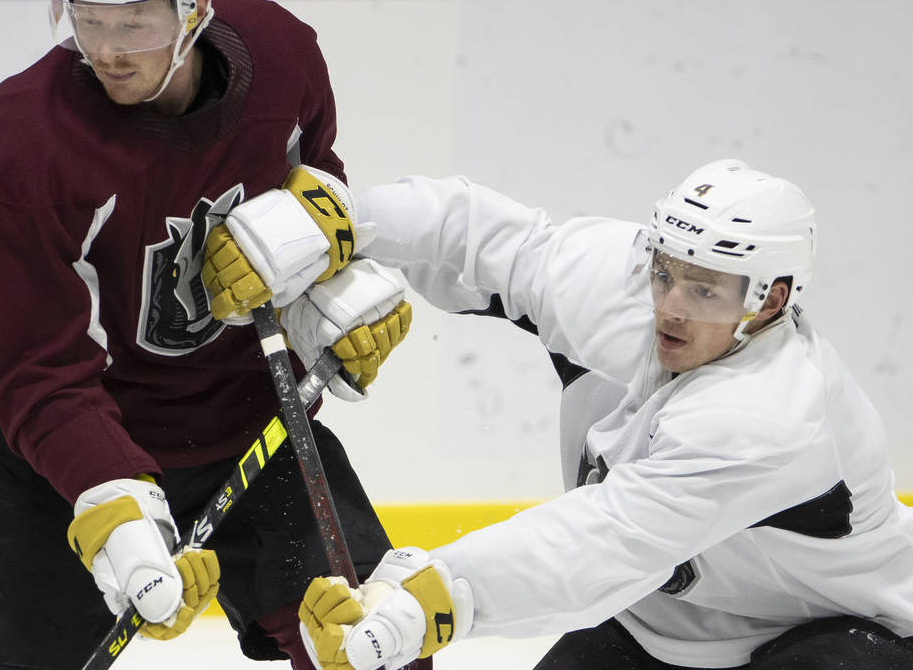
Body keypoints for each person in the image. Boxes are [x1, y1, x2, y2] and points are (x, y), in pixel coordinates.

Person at [0, 0, 417, 670]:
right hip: (43, 448)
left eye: (135, 21)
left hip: (246, 420)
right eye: (88, 17)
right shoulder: (28, 140)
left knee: (375, 641)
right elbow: (39, 369)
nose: (106, 49)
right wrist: (114, 507)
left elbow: (318, 194)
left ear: (196, 3)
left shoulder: (282, 60)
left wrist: (330, 293)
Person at [272, 160, 913, 669]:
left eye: (706, 290)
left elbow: (605, 539)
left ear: (771, 301)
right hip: (660, 631)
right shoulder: (624, 285)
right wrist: (341, 220)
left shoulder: (773, 416)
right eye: (668, 274)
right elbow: (479, 238)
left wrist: (423, 594)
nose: (672, 308)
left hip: (845, 636)